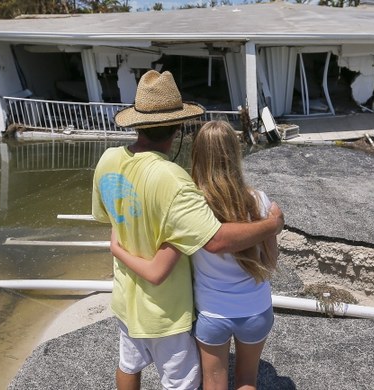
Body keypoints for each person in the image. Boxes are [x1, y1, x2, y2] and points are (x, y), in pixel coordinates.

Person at [92, 70, 283, 390]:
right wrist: (271, 225)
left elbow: (111, 217)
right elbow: (217, 239)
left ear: (137, 121)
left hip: (126, 299)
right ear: (177, 127)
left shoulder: (107, 160)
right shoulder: (173, 180)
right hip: (166, 310)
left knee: (128, 365)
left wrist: (118, 248)